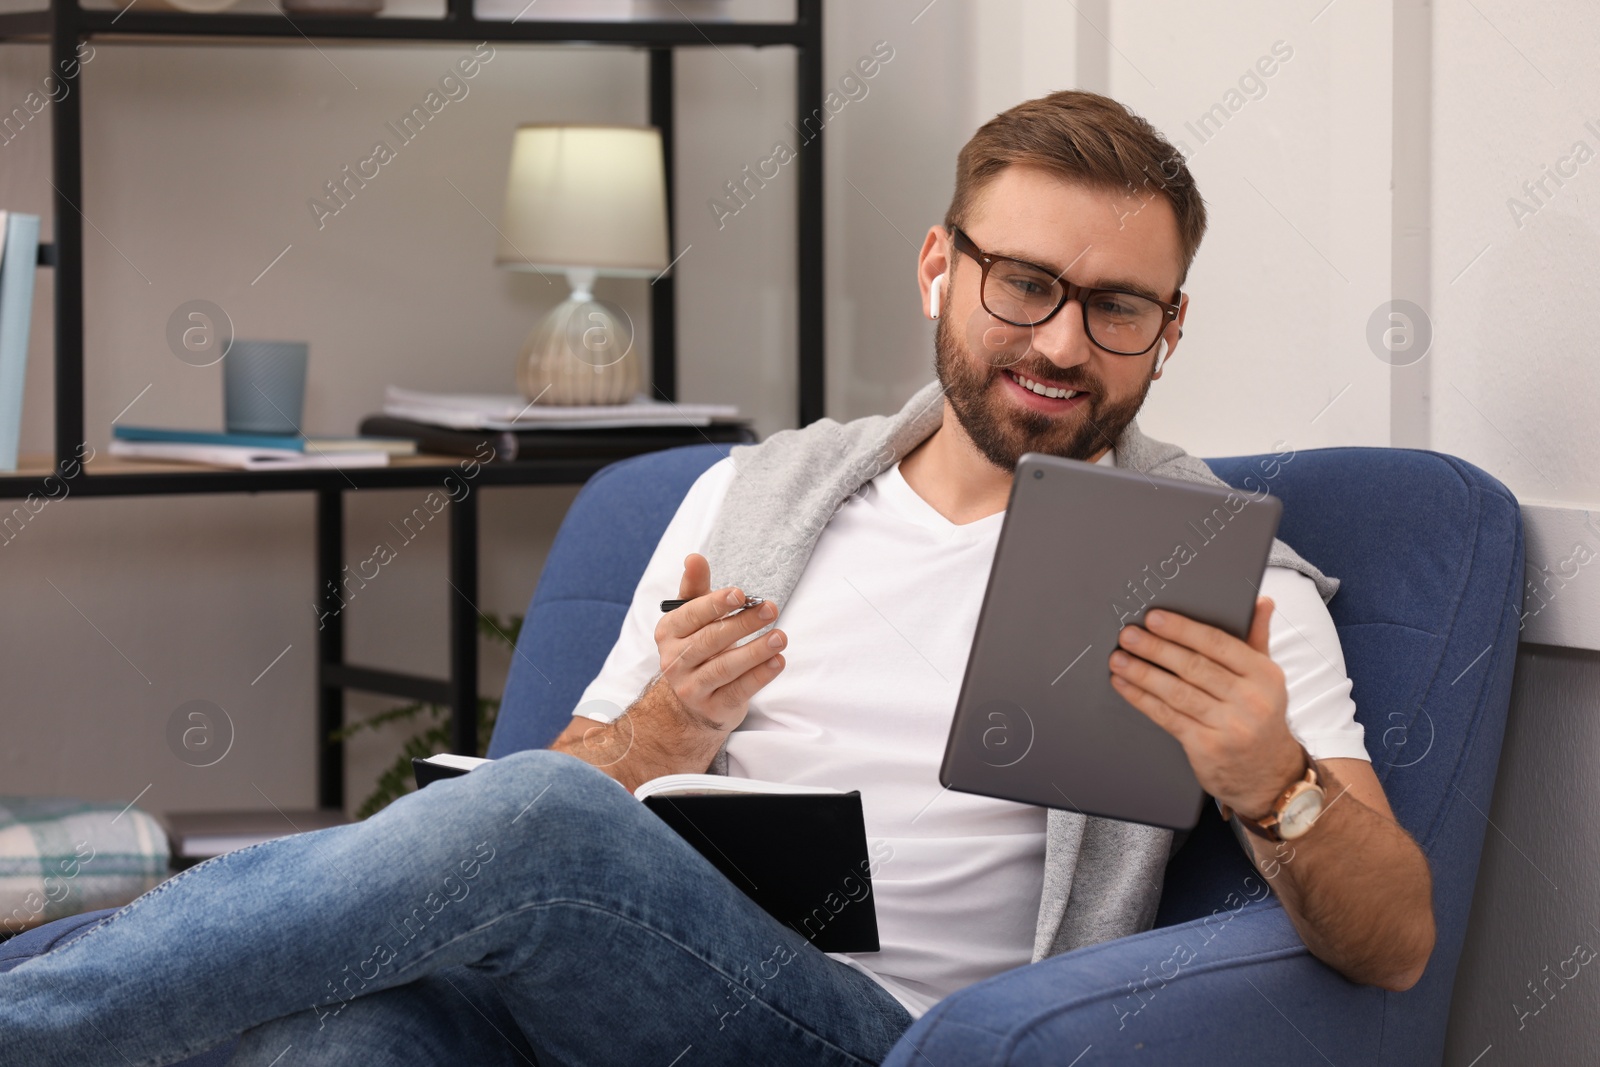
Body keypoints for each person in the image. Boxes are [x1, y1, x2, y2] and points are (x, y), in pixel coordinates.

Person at [0, 89, 1434, 1066]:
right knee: (331, 1044)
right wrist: (659, 737)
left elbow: (1397, 947)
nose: (1061, 344)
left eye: (1116, 306)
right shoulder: (753, 497)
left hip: (862, 1033)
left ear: (1167, 331)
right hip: (598, 995)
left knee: (541, 821)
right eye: (1025, 285)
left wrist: (1274, 781)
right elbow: (557, 792)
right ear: (942, 267)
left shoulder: (1216, 576)